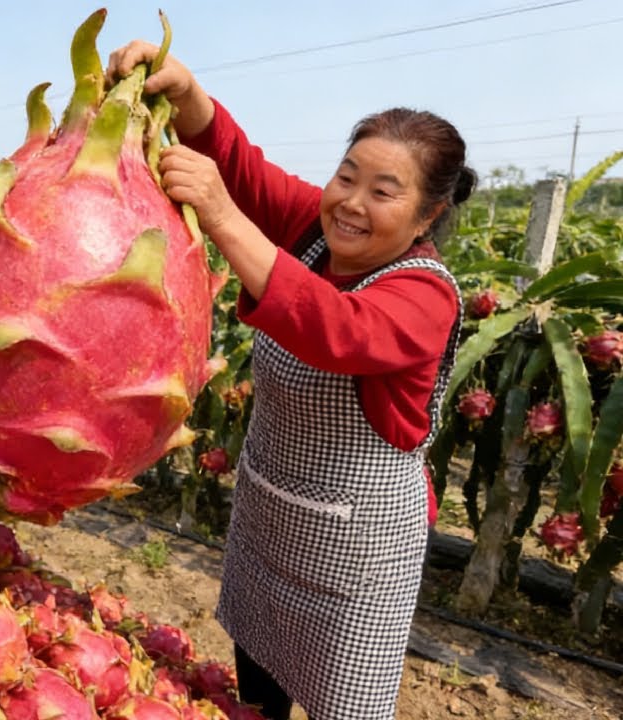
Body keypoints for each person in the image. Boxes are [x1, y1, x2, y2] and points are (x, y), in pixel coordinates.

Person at [108, 42, 475, 720]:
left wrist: (220, 217)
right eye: (346, 177)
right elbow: (245, 172)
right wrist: (188, 93)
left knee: (346, 708)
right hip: (269, 521)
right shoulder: (321, 229)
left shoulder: (427, 296)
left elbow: (336, 328)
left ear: (428, 215)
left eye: (384, 192)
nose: (352, 204)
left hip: (356, 556)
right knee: (259, 693)